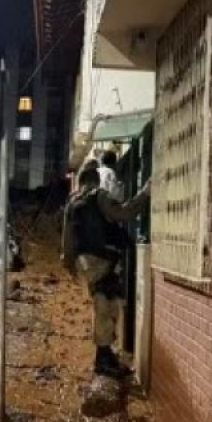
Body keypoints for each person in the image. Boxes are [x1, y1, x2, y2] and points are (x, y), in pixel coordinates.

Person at [62, 161, 150, 377]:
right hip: (102, 260)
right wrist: (145, 194)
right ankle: (104, 358)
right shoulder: (98, 196)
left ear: (80, 182)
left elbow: (66, 240)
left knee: (103, 303)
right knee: (108, 304)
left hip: (84, 263)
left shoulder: (72, 202)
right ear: (95, 181)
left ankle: (105, 355)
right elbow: (123, 213)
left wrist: (71, 265)